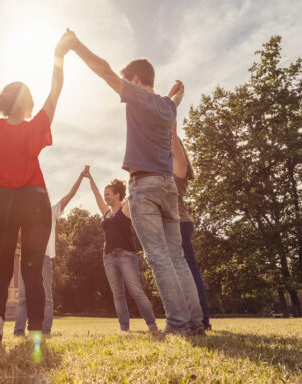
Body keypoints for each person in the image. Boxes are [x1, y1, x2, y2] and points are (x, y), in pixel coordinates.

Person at [66, 30, 204, 335]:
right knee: (177, 257)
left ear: (138, 81)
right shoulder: (168, 106)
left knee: (158, 258)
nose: (124, 86)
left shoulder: (138, 96)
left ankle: (179, 324)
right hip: (168, 186)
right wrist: (177, 90)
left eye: (128, 81)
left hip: (144, 186)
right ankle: (195, 322)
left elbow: (104, 70)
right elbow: (175, 97)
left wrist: (76, 45)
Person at [0, 32, 73, 341]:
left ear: (5, 104)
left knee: (1, 268)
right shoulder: (35, 127)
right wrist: (58, 54)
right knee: (32, 270)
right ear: (29, 103)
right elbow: (56, 90)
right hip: (34, 199)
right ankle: (35, 333)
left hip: (3, 199)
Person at [14, 167, 87, 336]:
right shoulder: (24, 216)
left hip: (44, 258)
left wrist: (80, 177)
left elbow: (70, 195)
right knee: (23, 297)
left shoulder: (51, 211)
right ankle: (18, 331)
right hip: (27, 258)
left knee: (46, 297)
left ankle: (45, 330)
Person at [85, 169, 158, 332]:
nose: (105, 197)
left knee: (136, 292)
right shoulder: (106, 212)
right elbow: (96, 195)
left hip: (126, 256)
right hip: (108, 258)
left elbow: (136, 194)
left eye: (108, 194)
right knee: (117, 295)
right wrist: (90, 178)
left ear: (117, 195)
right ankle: (124, 328)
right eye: (105, 194)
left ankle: (152, 326)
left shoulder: (126, 208)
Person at [172, 122, 211, 330]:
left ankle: (202, 319)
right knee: (186, 272)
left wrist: (171, 128)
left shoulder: (178, 169)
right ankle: (196, 318)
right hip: (180, 223)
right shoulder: (174, 168)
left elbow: (173, 141)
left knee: (189, 272)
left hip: (179, 223)